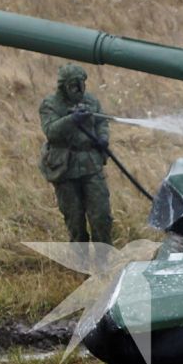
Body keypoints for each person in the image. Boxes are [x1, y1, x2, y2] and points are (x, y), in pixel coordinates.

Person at [39, 64, 112, 245]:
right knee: (75, 221)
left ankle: (104, 267)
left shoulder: (91, 101)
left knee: (101, 216)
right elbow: (51, 131)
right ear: (63, 87)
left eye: (81, 85)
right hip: (65, 169)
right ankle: (83, 268)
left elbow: (102, 122)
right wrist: (71, 120)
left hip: (91, 165)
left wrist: (102, 138)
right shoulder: (50, 105)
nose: (79, 90)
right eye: (73, 86)